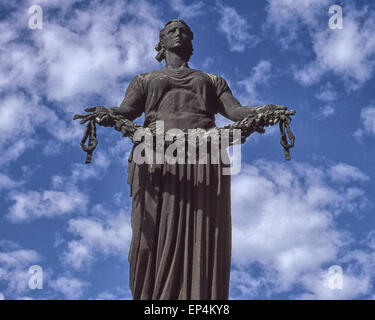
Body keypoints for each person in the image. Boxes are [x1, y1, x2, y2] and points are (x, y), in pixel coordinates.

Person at [78, 19, 287, 300]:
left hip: (205, 155)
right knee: (146, 240)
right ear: (161, 43)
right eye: (172, 31)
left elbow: (236, 112)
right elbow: (126, 111)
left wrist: (264, 110)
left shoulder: (212, 80)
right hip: (155, 153)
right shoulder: (144, 80)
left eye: (184, 31)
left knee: (203, 234)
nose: (179, 34)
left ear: (192, 44)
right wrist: (108, 113)